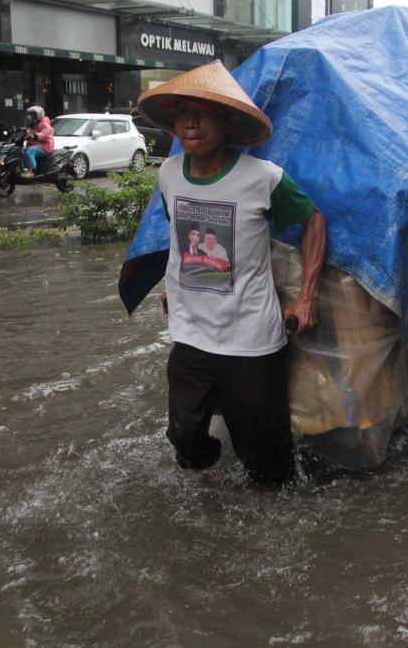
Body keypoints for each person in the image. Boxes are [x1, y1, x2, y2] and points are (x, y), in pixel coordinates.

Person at [138, 60, 326, 485]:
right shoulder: (169, 173)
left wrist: (307, 295)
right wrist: (173, 283)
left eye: (203, 113)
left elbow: (313, 219)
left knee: (269, 469)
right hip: (190, 335)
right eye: (183, 112)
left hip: (252, 342)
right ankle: (212, 483)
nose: (191, 122)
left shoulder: (263, 178)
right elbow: (178, 233)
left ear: (226, 122)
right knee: (184, 436)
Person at [22, 106, 53, 175]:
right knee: (20, 151)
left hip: (45, 146)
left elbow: (45, 133)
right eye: (29, 114)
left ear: (39, 114)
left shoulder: (44, 123)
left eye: (32, 114)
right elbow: (27, 131)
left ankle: (31, 171)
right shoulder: (33, 124)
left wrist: (35, 135)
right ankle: (22, 169)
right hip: (36, 145)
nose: (30, 116)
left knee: (29, 151)